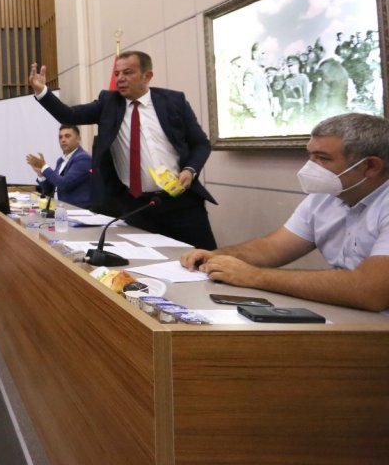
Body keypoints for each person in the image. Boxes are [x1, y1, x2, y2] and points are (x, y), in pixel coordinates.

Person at [180, 113, 389, 312]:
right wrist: (217, 258)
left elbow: (371, 291)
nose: (310, 166)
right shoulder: (324, 197)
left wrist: (254, 276)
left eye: (322, 158)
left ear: (371, 166)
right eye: (310, 156)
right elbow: (271, 248)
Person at [29, 51, 217, 248]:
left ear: (147, 76)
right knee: (147, 267)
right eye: (117, 74)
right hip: (137, 206)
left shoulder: (173, 102)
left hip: (181, 202)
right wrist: (43, 93)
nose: (120, 79)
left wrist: (190, 170)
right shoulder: (108, 104)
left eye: (127, 73)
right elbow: (70, 114)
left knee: (207, 261)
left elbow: (200, 143)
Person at [24, 124, 93, 208]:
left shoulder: (83, 159)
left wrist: (44, 167)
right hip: (60, 209)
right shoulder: (60, 161)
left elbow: (64, 184)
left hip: (77, 211)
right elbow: (50, 189)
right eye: (60, 137)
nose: (63, 140)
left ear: (78, 139)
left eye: (67, 136)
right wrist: (41, 173)